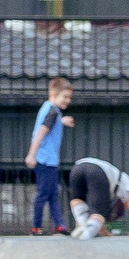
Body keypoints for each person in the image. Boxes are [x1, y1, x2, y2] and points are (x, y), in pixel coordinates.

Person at [25, 77, 75, 234]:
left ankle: (60, 224)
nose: (68, 101)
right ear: (53, 93)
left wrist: (62, 121)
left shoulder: (50, 110)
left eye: (69, 98)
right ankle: (36, 226)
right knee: (43, 194)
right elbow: (41, 132)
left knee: (53, 194)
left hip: (49, 160)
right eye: (65, 97)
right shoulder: (53, 111)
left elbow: (49, 124)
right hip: (46, 160)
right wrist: (31, 155)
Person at [66, 154, 129, 237]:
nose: (126, 207)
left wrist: (105, 233)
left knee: (78, 200)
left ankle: (82, 224)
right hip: (97, 171)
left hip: (77, 168)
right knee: (97, 213)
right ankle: (85, 235)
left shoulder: (114, 184)